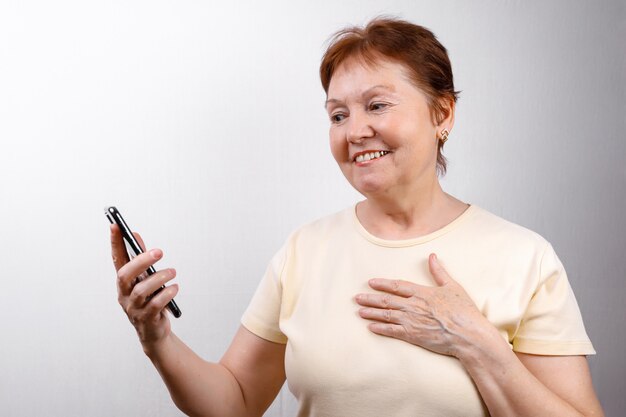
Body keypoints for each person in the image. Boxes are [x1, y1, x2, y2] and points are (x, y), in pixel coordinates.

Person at [109, 17, 605, 417]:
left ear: (443, 114)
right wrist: (157, 340)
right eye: (338, 115)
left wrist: (477, 343)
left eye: (377, 105)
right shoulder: (305, 251)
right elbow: (234, 403)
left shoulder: (525, 257)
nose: (355, 131)